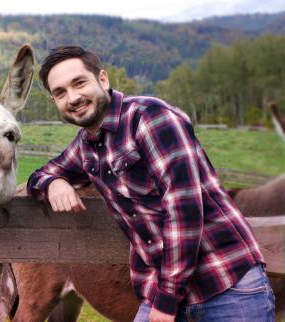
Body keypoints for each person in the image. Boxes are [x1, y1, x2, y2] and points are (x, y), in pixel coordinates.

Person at [28, 45, 275, 322]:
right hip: (160, 288)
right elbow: (39, 174)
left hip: (226, 283)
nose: (72, 98)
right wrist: (52, 183)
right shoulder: (86, 146)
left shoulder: (151, 118)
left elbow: (184, 211)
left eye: (79, 83)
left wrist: (166, 301)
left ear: (103, 80)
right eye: (60, 92)